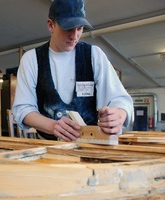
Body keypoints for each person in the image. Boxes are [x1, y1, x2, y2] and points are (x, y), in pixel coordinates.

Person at [12, 0, 134, 141]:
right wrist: (52, 126)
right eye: (68, 28)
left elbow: (120, 99)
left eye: (79, 28)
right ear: (51, 25)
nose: (74, 36)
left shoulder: (94, 55)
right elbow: (23, 109)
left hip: (90, 145)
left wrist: (119, 113)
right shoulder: (31, 59)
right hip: (48, 147)